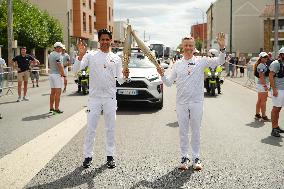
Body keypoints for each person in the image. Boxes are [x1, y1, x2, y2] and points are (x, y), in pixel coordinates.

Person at [156, 33, 226, 171]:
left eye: (191, 45)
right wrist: (162, 74)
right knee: (183, 131)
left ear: (194, 47)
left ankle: (196, 157)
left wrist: (222, 46)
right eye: (186, 45)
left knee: (195, 131)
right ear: (183, 47)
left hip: (196, 102)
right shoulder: (177, 64)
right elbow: (169, 83)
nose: (188, 48)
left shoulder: (201, 61)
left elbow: (221, 61)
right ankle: (184, 157)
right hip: (181, 102)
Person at [73, 29, 129, 169]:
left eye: (107, 39)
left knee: (111, 128)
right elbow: (76, 70)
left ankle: (110, 156)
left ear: (111, 40)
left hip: (110, 98)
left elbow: (120, 80)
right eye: (102, 39)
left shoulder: (116, 58)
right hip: (95, 99)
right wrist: (80, 55)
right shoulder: (91, 56)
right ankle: (88, 156)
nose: (104, 42)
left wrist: (126, 76)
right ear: (99, 41)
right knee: (91, 129)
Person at [269, 47, 284, 137]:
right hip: (278, 89)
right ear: (281, 54)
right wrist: (274, 89)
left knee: (279, 108)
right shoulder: (275, 63)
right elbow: (271, 76)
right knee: (276, 109)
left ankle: (276, 126)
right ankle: (273, 128)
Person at [49, 42, 65, 114]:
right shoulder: (58, 55)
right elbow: (59, 65)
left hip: (51, 74)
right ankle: (57, 108)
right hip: (57, 75)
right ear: (57, 48)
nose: (61, 49)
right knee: (58, 93)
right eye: (60, 47)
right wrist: (63, 74)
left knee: (52, 92)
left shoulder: (51, 54)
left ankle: (51, 108)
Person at [254, 52, 270, 121]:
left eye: (266, 56)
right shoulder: (261, 65)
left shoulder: (263, 64)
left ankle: (257, 114)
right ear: (260, 58)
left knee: (260, 100)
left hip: (261, 84)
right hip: (262, 84)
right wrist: (265, 85)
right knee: (263, 101)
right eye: (264, 57)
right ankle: (264, 115)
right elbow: (261, 76)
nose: (266, 58)